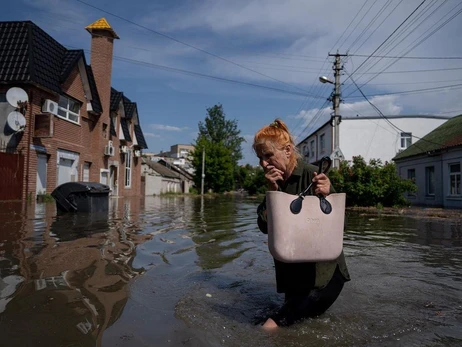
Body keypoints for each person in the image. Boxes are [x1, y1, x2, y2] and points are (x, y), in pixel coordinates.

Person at [253, 119, 350, 329]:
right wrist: (272, 192)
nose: (263, 163)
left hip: (323, 277)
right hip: (294, 278)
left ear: (287, 150)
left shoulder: (312, 174)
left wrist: (328, 193)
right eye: (260, 158)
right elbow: (263, 227)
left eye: (268, 155)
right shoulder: (276, 182)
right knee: (291, 326)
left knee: (269, 328)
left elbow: (342, 226)